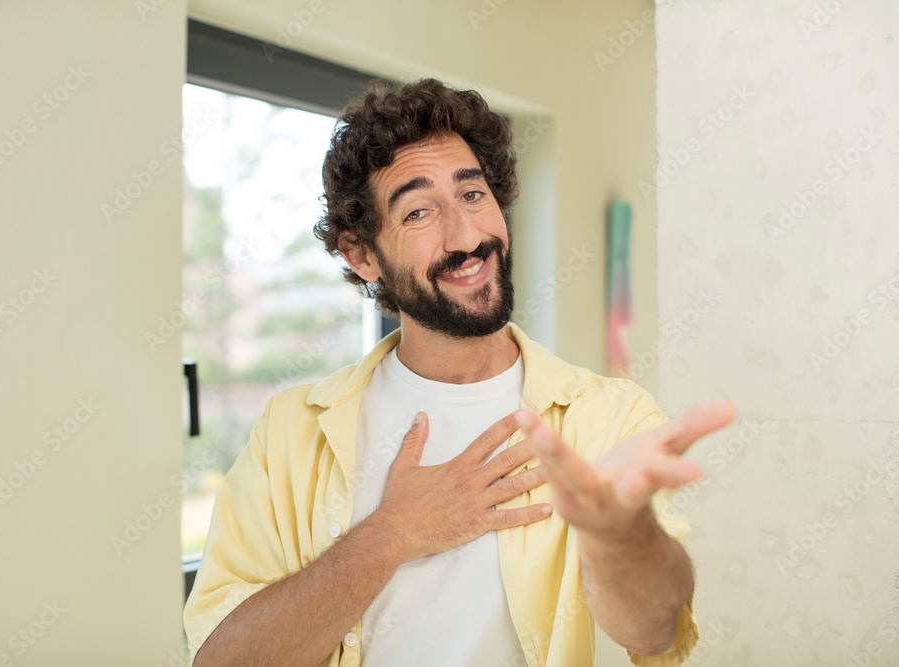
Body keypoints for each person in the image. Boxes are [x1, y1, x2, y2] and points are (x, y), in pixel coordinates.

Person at [183, 77, 736, 667]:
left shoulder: (610, 418)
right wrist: (390, 533)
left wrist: (618, 535)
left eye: (473, 195)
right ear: (361, 255)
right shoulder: (289, 432)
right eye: (419, 211)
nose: (467, 236)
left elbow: (656, 633)